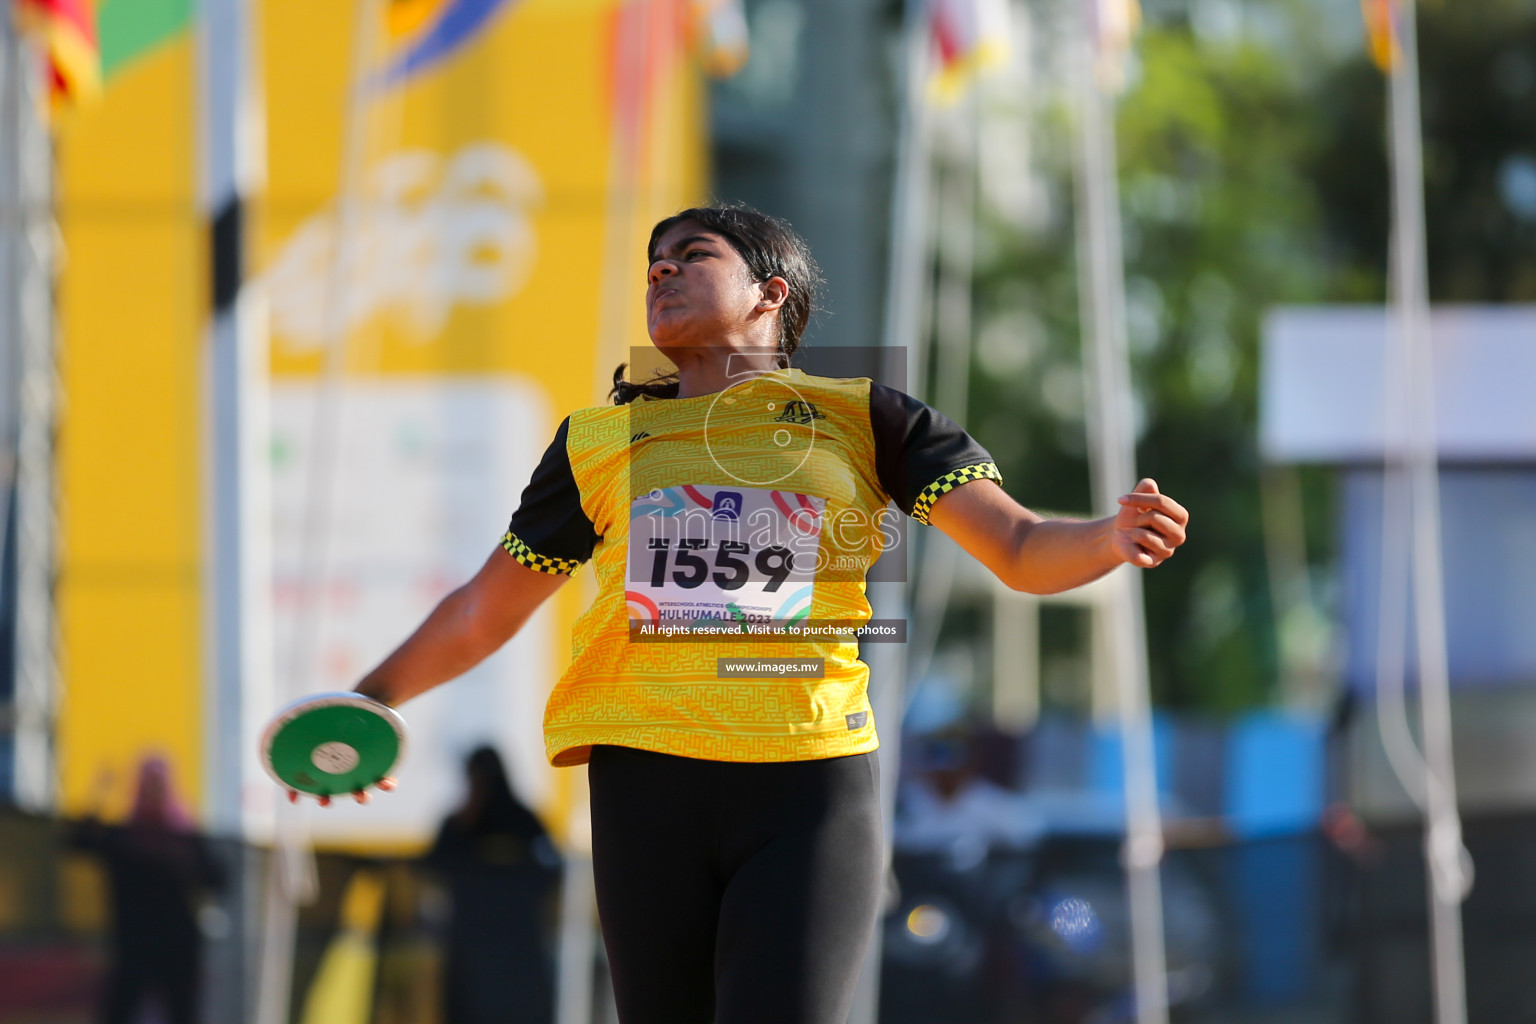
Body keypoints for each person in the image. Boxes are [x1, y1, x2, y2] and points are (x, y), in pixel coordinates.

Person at [309, 203, 1188, 1024]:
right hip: (644, 779)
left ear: (773, 293)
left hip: (806, 781)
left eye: (693, 256)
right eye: (653, 265)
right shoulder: (597, 442)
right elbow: (482, 612)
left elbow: (1022, 548)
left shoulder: (866, 418)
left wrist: (1110, 537)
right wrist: (371, 700)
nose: (662, 273)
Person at [70, 756, 225, 1024]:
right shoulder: (124, 838)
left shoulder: (183, 838)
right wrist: (99, 793)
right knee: (119, 1011)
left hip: (178, 946)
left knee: (182, 1013)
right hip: (134, 945)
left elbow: (217, 878)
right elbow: (78, 843)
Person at [424, 746, 561, 1024]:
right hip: (485, 944)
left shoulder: (521, 821)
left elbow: (551, 867)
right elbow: (435, 865)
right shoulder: (461, 824)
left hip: (511, 944)